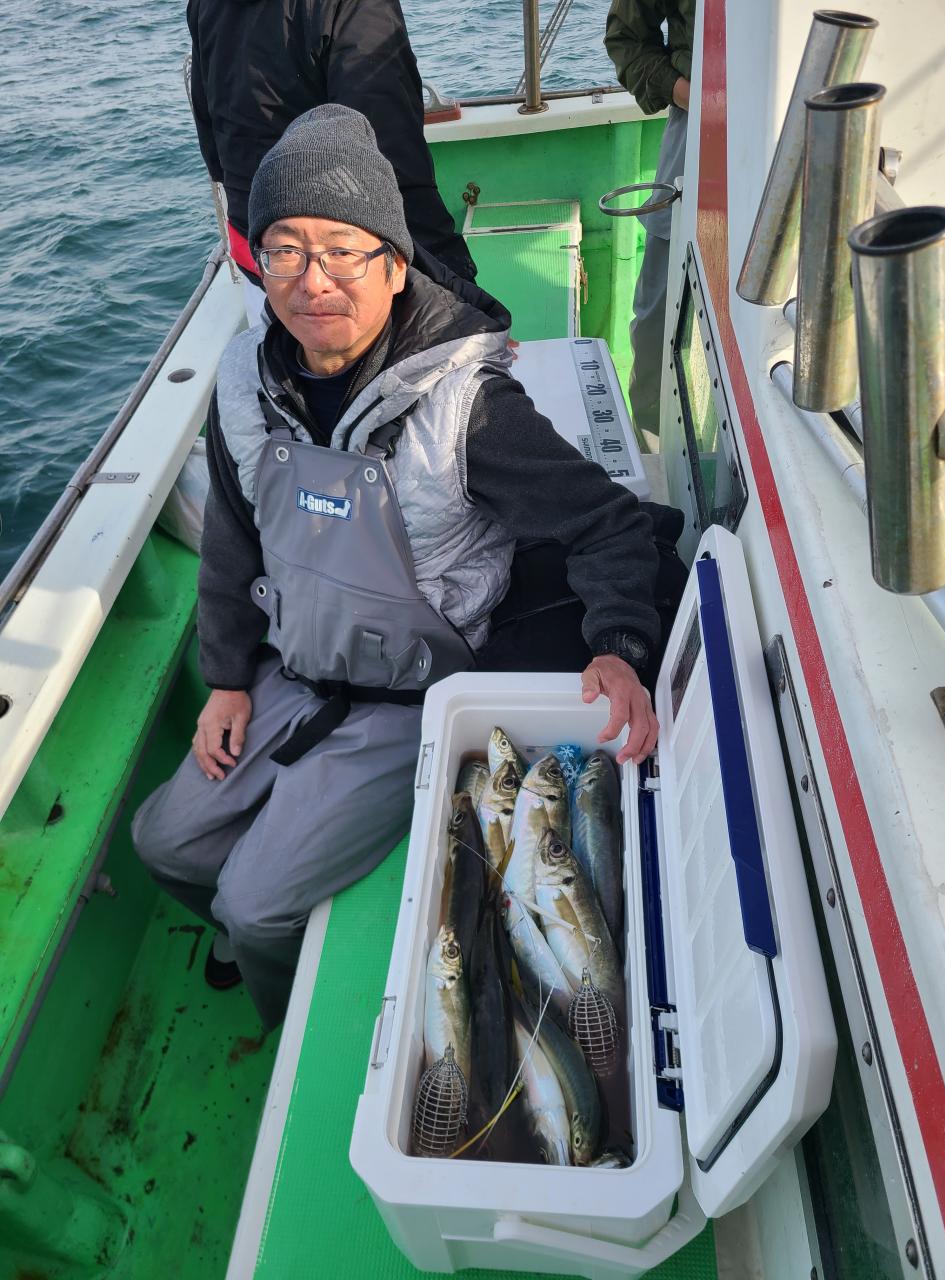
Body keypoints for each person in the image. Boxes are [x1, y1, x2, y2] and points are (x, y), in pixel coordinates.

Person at [133, 105, 674, 1031]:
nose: (313, 281)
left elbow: (607, 523)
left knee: (254, 904)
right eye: (285, 251)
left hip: (409, 696)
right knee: (163, 842)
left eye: (342, 250)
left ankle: (278, 994)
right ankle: (246, 927)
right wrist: (225, 678)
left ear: (393, 262)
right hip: (293, 671)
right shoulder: (246, 386)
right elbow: (230, 535)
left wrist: (618, 646)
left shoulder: (468, 406)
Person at [186, 0, 476, 315]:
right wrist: (455, 289)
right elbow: (390, 158)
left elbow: (212, 146)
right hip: (340, 274)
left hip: (262, 256)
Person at [604, 0, 694, 443]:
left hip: (815, 131)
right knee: (660, 316)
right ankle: (652, 445)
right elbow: (626, 37)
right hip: (694, 131)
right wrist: (688, 93)